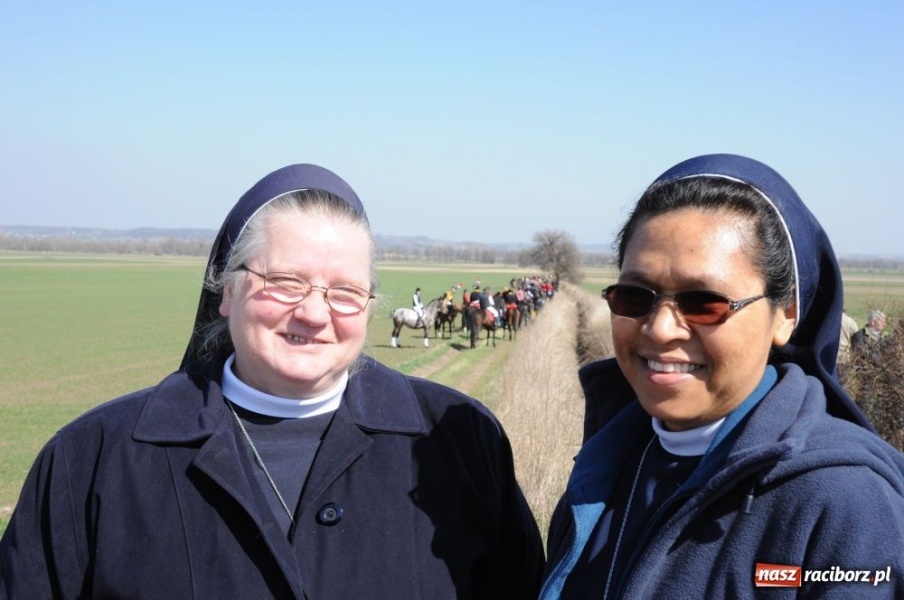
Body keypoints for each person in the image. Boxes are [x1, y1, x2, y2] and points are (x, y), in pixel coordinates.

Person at [0, 164, 544, 598]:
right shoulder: (91, 460)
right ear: (226, 291)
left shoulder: (462, 442)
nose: (313, 312)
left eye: (346, 292)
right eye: (284, 282)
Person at [540, 154, 904, 599]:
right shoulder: (607, 461)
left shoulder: (843, 500)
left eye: (703, 302)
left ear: (785, 314)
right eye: (635, 296)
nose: (659, 328)